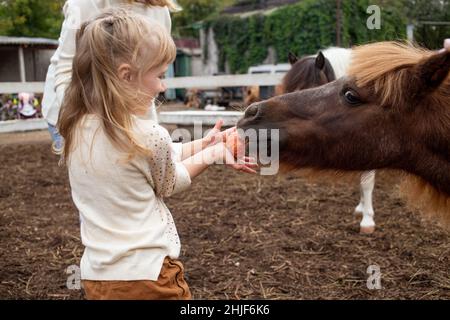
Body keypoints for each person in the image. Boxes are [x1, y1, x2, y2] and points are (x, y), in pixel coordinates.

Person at [57, 8, 257, 300]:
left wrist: (205, 142)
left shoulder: (76, 129)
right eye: (160, 75)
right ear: (126, 76)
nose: (163, 86)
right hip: (149, 279)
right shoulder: (148, 134)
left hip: (97, 277)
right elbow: (169, 181)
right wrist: (214, 153)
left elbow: (151, 156)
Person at [42, 0, 179, 153]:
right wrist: (80, 124)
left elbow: (147, 75)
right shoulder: (85, 4)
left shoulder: (159, 10)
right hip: (79, 109)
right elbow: (66, 69)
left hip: (128, 114)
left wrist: (149, 127)